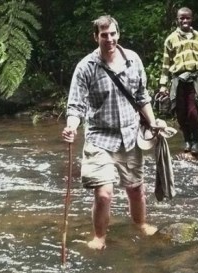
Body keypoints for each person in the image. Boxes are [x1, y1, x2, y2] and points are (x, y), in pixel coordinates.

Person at [61, 15, 159, 250]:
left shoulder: (133, 60)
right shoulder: (86, 67)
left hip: (129, 135)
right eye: (104, 35)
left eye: (113, 34)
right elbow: (76, 105)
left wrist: (153, 124)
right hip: (100, 138)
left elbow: (142, 97)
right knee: (104, 194)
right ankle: (99, 237)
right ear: (96, 37)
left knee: (136, 189)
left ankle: (140, 224)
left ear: (118, 34)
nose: (110, 39)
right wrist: (72, 127)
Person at [158, 7, 198, 156]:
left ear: (192, 19)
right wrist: (163, 85)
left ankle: (196, 141)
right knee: (181, 113)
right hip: (178, 80)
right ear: (177, 20)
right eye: (181, 18)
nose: (184, 21)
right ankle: (187, 140)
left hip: (196, 80)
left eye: (187, 18)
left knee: (194, 112)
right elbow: (166, 64)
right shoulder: (170, 39)